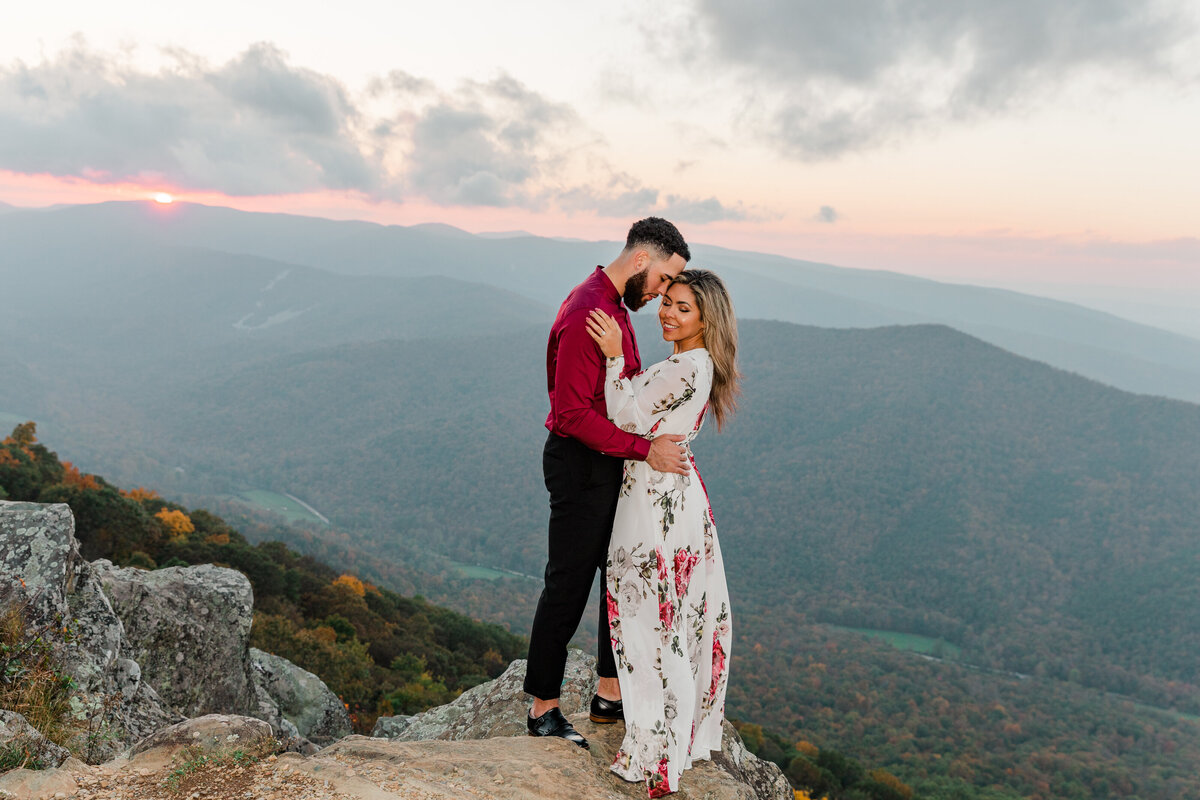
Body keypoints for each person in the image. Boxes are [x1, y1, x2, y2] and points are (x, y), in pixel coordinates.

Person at [525, 218, 694, 749]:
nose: (665, 293)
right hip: (581, 463)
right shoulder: (588, 313)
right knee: (568, 583)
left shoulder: (615, 305)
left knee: (617, 575)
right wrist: (646, 449)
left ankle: (607, 694)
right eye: (666, 279)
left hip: (609, 462)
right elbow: (571, 413)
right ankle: (542, 708)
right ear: (643, 261)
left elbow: (620, 392)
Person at [584, 269, 739, 798]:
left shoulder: (686, 367)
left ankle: (655, 740)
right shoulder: (696, 364)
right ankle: (665, 728)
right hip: (673, 494)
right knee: (667, 614)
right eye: (667, 302)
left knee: (648, 616)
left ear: (705, 319)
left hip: (653, 502)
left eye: (683, 308)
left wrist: (610, 355)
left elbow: (623, 414)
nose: (667, 313)